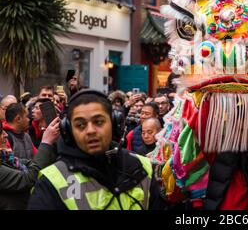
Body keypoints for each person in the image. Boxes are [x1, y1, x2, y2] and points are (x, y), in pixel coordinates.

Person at [28, 90, 164, 210]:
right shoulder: (51, 180)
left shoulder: (143, 167)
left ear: (114, 124)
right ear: (68, 131)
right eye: (80, 125)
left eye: (98, 122)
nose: (90, 131)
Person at [0, 117, 60, 210]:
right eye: (1, 132)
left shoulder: (8, 158)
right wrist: (46, 142)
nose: (6, 135)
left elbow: (31, 163)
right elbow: (28, 178)